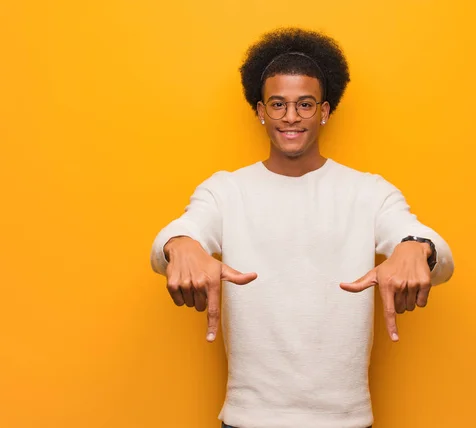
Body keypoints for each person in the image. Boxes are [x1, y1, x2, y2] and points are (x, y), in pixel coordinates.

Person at [150, 27, 454, 428]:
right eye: (278, 104)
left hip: (344, 421)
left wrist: (416, 248)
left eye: (305, 104)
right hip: (247, 419)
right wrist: (181, 243)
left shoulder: (368, 191)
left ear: (325, 111)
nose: (291, 116)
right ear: (260, 111)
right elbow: (168, 243)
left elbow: (439, 255)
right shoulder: (226, 190)